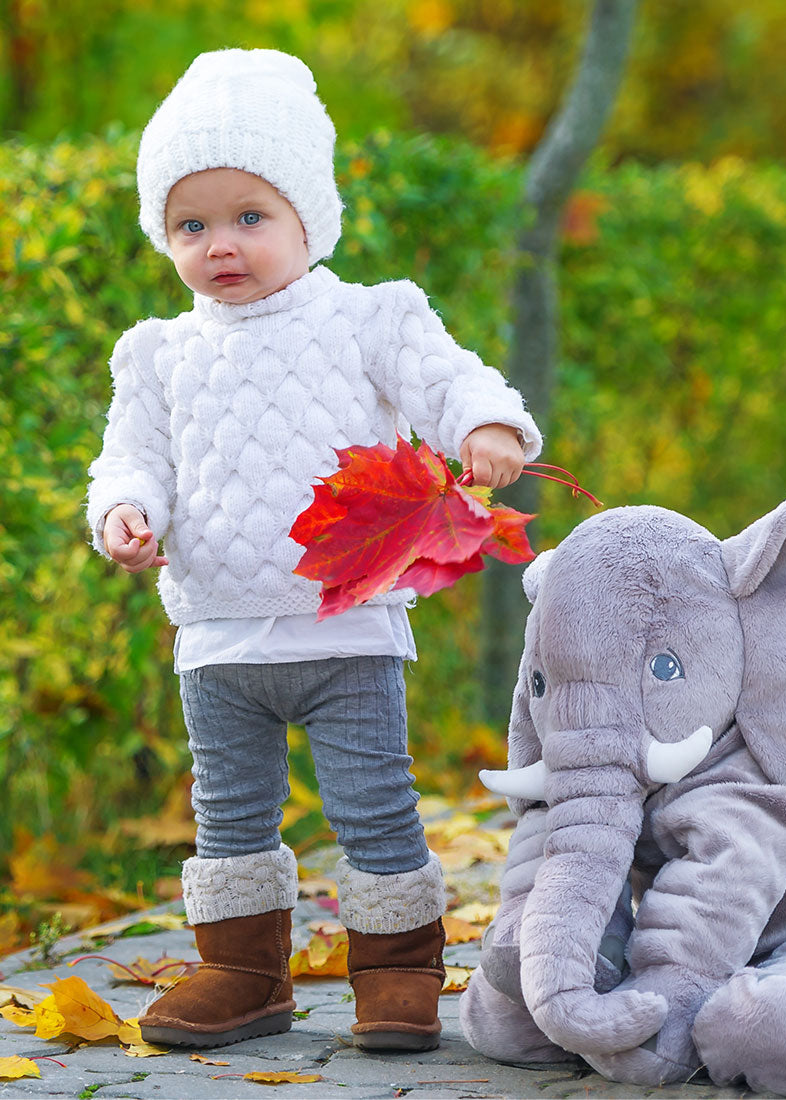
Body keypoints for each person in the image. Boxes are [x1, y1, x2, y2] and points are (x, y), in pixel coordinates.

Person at [85, 48, 541, 1053]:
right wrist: (124, 509)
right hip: (219, 636)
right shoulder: (157, 352)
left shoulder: (364, 315)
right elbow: (134, 455)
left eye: (250, 215)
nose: (221, 244)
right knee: (230, 813)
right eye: (190, 224)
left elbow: (445, 376)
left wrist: (487, 425)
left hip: (348, 622)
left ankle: (394, 973)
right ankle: (241, 971)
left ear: (307, 218)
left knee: (373, 803)